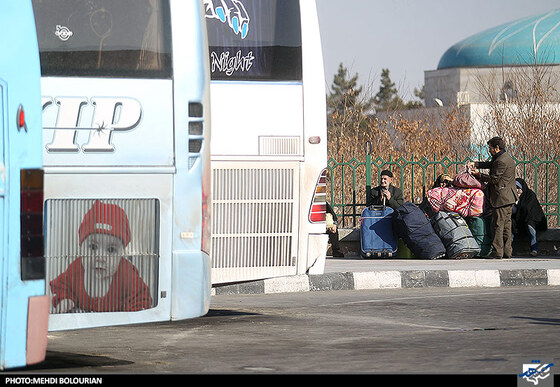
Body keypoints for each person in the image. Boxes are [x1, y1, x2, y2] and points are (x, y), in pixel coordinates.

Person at [50, 200, 153, 313]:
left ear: (122, 253)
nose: (100, 257)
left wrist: (134, 314)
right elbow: (63, 287)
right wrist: (65, 300)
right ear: (81, 246)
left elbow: (141, 298)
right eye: (93, 247)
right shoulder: (76, 269)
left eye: (111, 250)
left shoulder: (126, 274)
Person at [468, 137, 518, 258]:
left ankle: (497, 252)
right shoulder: (504, 157)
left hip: (501, 198)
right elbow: (491, 164)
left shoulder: (501, 161)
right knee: (506, 225)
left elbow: (494, 179)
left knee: (497, 225)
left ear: (496, 148)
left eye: (490, 148)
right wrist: (476, 164)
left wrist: (478, 175)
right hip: (509, 197)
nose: (489, 150)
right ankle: (507, 252)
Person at [512, 178, 547, 256]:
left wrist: (518, 203)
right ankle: (509, 248)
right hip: (519, 220)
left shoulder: (530, 195)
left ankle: (534, 248)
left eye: (518, 188)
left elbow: (528, 209)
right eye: (515, 188)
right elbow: (512, 212)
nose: (517, 190)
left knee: (530, 223)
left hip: (532, 220)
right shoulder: (512, 197)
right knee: (511, 224)